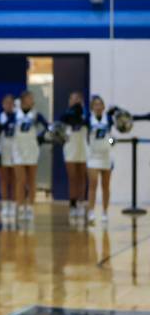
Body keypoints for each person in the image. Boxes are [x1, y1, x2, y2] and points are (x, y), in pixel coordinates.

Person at [12, 90, 48, 221]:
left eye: (32, 98)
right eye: (30, 98)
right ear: (23, 100)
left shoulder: (36, 115)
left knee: (31, 180)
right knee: (20, 180)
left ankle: (30, 207)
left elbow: (47, 127)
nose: (32, 100)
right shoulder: (15, 114)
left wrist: (40, 138)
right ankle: (20, 207)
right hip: (18, 150)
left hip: (32, 149)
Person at [86, 95, 113, 225]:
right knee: (93, 184)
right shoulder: (88, 119)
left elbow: (110, 138)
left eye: (100, 104)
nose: (98, 106)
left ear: (103, 107)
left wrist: (112, 142)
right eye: (95, 104)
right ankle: (91, 211)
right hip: (93, 156)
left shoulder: (108, 119)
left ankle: (105, 212)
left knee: (106, 186)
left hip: (106, 156)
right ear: (92, 107)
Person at [61, 92, 87, 221]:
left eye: (78, 99)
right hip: (70, 149)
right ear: (69, 101)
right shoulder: (66, 115)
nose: (75, 101)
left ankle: (81, 204)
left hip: (83, 149)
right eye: (73, 98)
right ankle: (72, 205)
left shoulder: (85, 115)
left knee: (82, 177)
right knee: (72, 178)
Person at [0, 94, 17, 221]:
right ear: (2, 105)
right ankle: (5, 205)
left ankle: (13, 205)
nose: (8, 105)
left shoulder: (18, 117)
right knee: (4, 180)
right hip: (3, 150)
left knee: (14, 180)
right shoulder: (1, 117)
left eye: (11, 103)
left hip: (15, 151)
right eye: (6, 103)